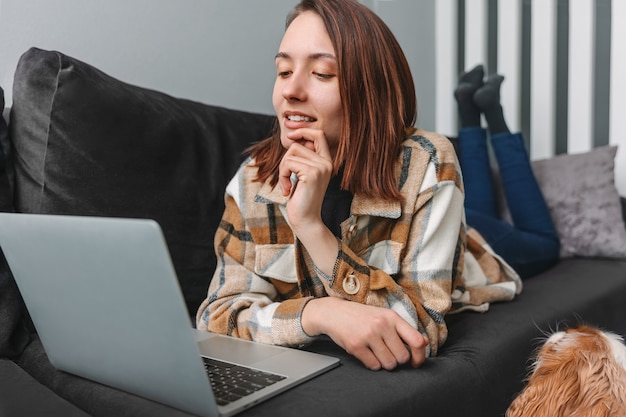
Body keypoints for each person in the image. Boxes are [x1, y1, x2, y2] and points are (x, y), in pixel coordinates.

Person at [197, 0, 517, 371]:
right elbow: (217, 314)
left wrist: (312, 228)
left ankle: (484, 116)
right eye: (284, 71)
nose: (291, 90)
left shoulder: (426, 160)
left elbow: (418, 333)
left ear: (371, 90)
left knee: (543, 241)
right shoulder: (254, 179)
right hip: (441, 219)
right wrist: (318, 314)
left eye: (322, 73)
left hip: (475, 256)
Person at [454, 64, 560, 279]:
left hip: (455, 223)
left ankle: (475, 108)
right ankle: (484, 108)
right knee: (547, 245)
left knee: (475, 217)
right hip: (462, 234)